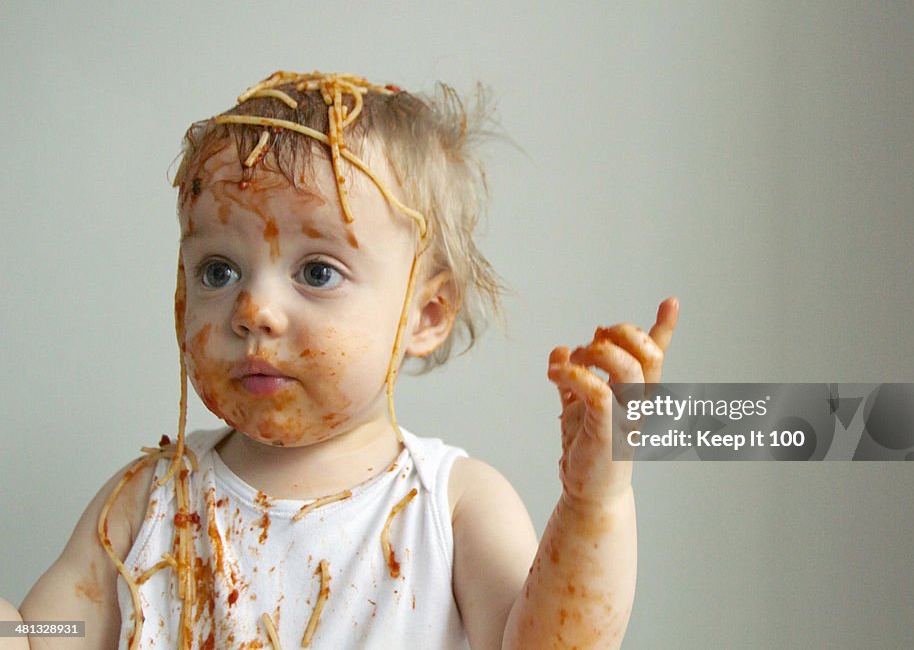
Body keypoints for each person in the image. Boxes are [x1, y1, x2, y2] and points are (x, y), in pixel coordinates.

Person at [9, 72, 678, 649]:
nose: (253, 309)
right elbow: (52, 635)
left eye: (318, 271)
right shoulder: (143, 503)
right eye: (218, 269)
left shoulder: (454, 504)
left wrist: (596, 502)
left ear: (426, 315)